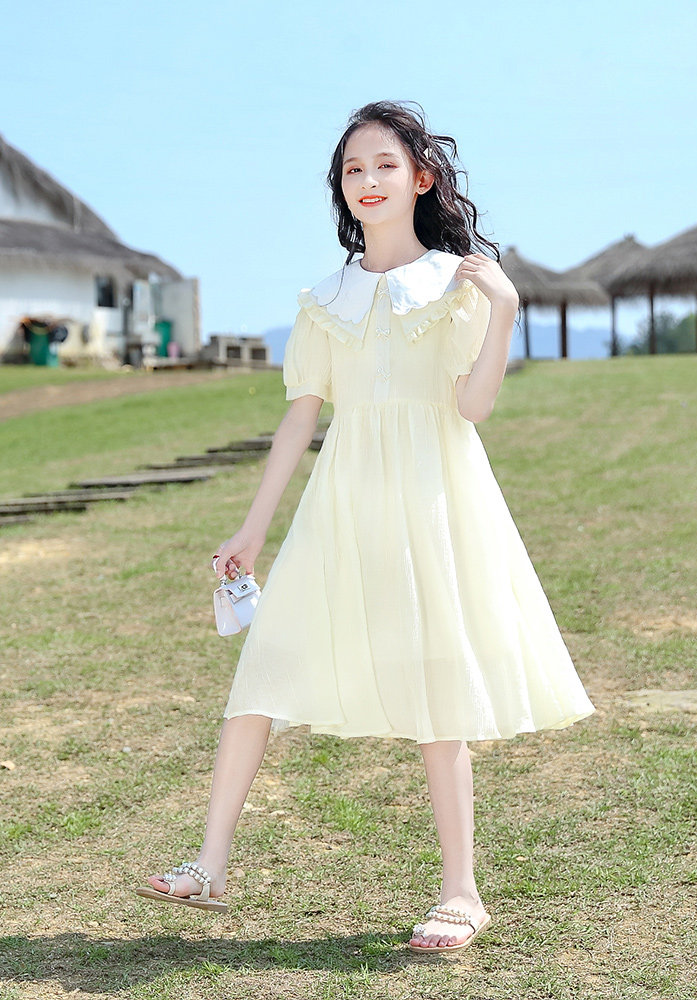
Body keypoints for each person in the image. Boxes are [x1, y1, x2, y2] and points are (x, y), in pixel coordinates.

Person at [136, 99, 597, 954]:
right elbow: (298, 420)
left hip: (434, 498)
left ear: (421, 178)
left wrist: (503, 308)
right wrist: (252, 529)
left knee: (438, 691)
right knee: (263, 672)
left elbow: (473, 406)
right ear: (341, 189)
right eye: (353, 169)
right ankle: (210, 867)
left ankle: (461, 893)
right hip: (341, 500)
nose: (368, 180)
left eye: (385, 164)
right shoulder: (324, 301)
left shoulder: (459, 285)